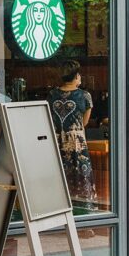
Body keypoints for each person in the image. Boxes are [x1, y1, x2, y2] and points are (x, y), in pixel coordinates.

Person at [47, 60, 98, 212]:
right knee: (81, 176)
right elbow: (85, 121)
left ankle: (57, 213)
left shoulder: (52, 95)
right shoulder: (84, 95)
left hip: (56, 141)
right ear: (76, 76)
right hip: (76, 143)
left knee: (58, 177)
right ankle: (85, 214)